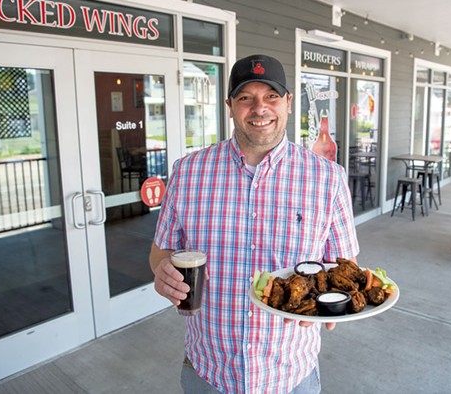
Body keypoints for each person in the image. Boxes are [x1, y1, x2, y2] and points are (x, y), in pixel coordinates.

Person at [150, 54, 359, 393]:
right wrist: (163, 272)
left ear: (288, 103)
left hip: (291, 374)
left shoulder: (328, 179)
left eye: (271, 96)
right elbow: (161, 252)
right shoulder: (188, 172)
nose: (259, 108)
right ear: (230, 105)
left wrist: (332, 308)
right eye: (246, 97)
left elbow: (344, 270)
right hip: (208, 371)